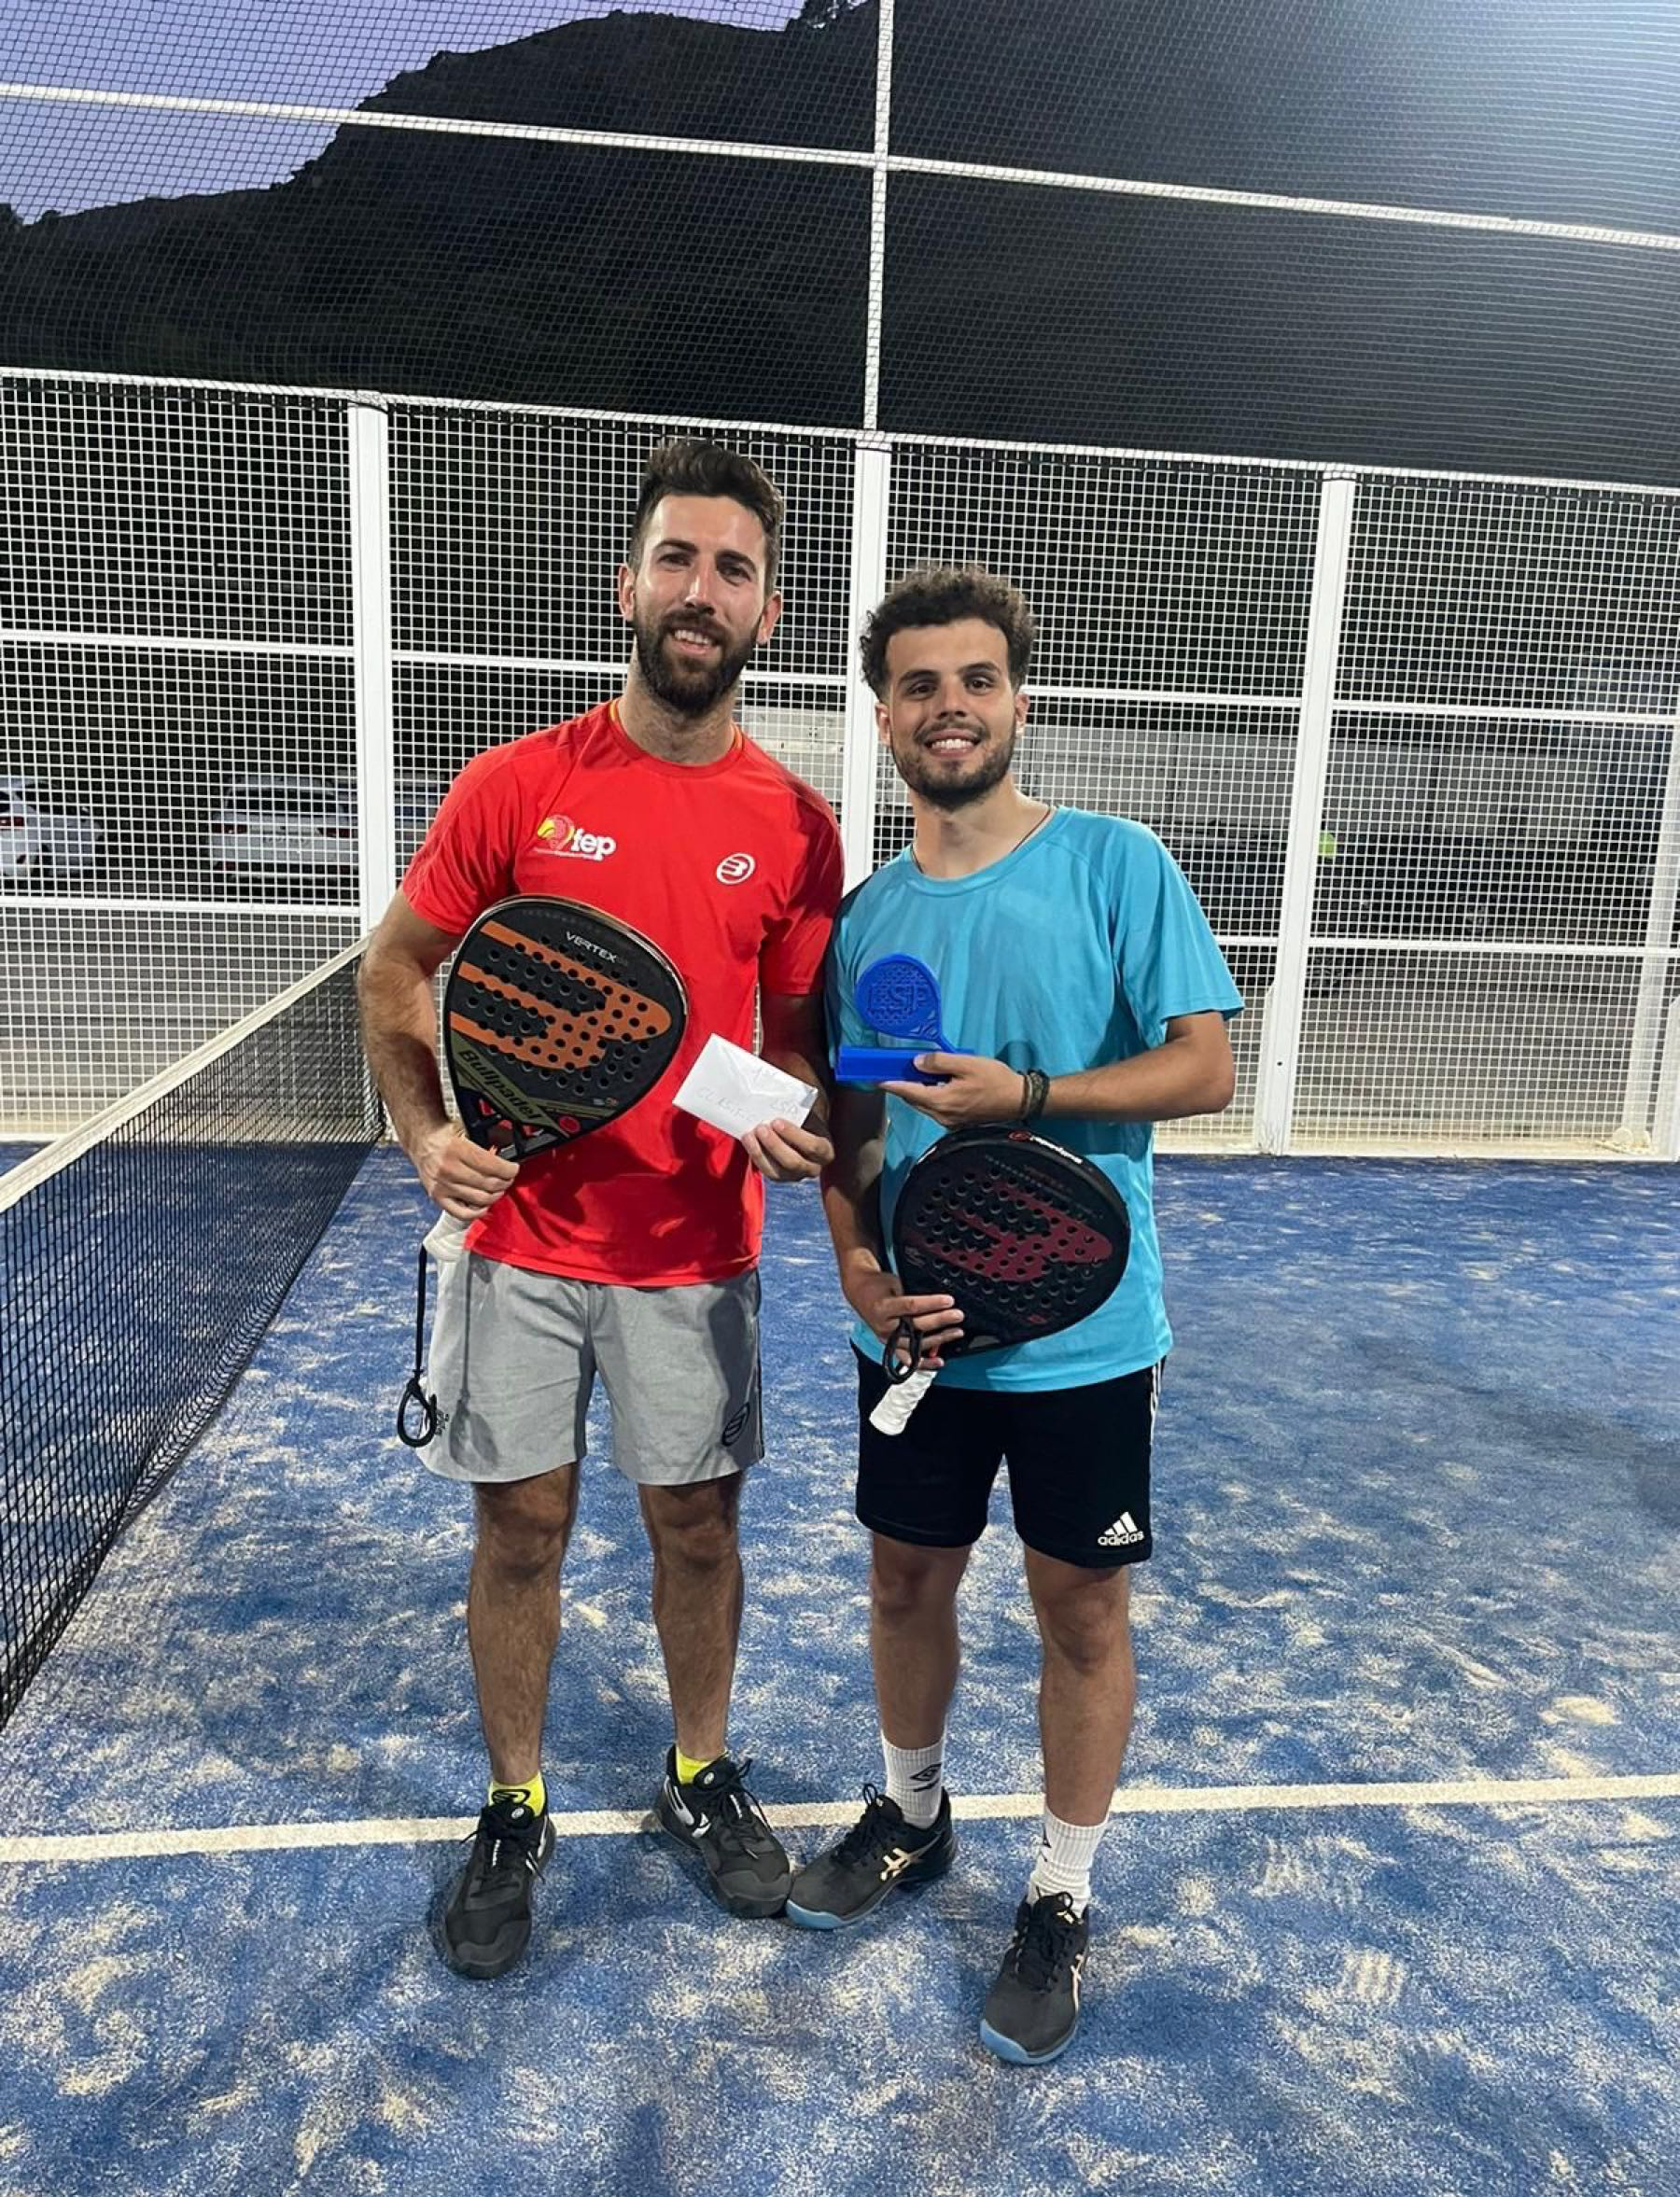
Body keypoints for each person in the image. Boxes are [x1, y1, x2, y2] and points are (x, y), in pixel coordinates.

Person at [358, 440, 842, 1980]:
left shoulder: (799, 824)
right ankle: (516, 1803)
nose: (703, 590)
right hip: (517, 1247)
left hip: (697, 1254)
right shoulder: (519, 785)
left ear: (766, 612)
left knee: (697, 1528)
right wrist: (426, 1132)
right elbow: (396, 970)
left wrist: (794, 1115)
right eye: (678, 559)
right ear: (629, 583)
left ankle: (699, 1771)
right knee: (522, 1528)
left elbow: (796, 1041)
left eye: (734, 569)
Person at [787, 566, 1241, 2065]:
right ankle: (912, 1814)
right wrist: (858, 1271)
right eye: (918, 685)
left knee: (1080, 1608)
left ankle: (1059, 1891)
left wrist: (1031, 1095)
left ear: (1018, 700)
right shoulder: (866, 919)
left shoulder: (1116, 863)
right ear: (884, 718)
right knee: (904, 1581)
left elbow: (1203, 1068)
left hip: (1086, 1336)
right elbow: (850, 1123)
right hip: (916, 1333)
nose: (950, 707)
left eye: (975, 679)